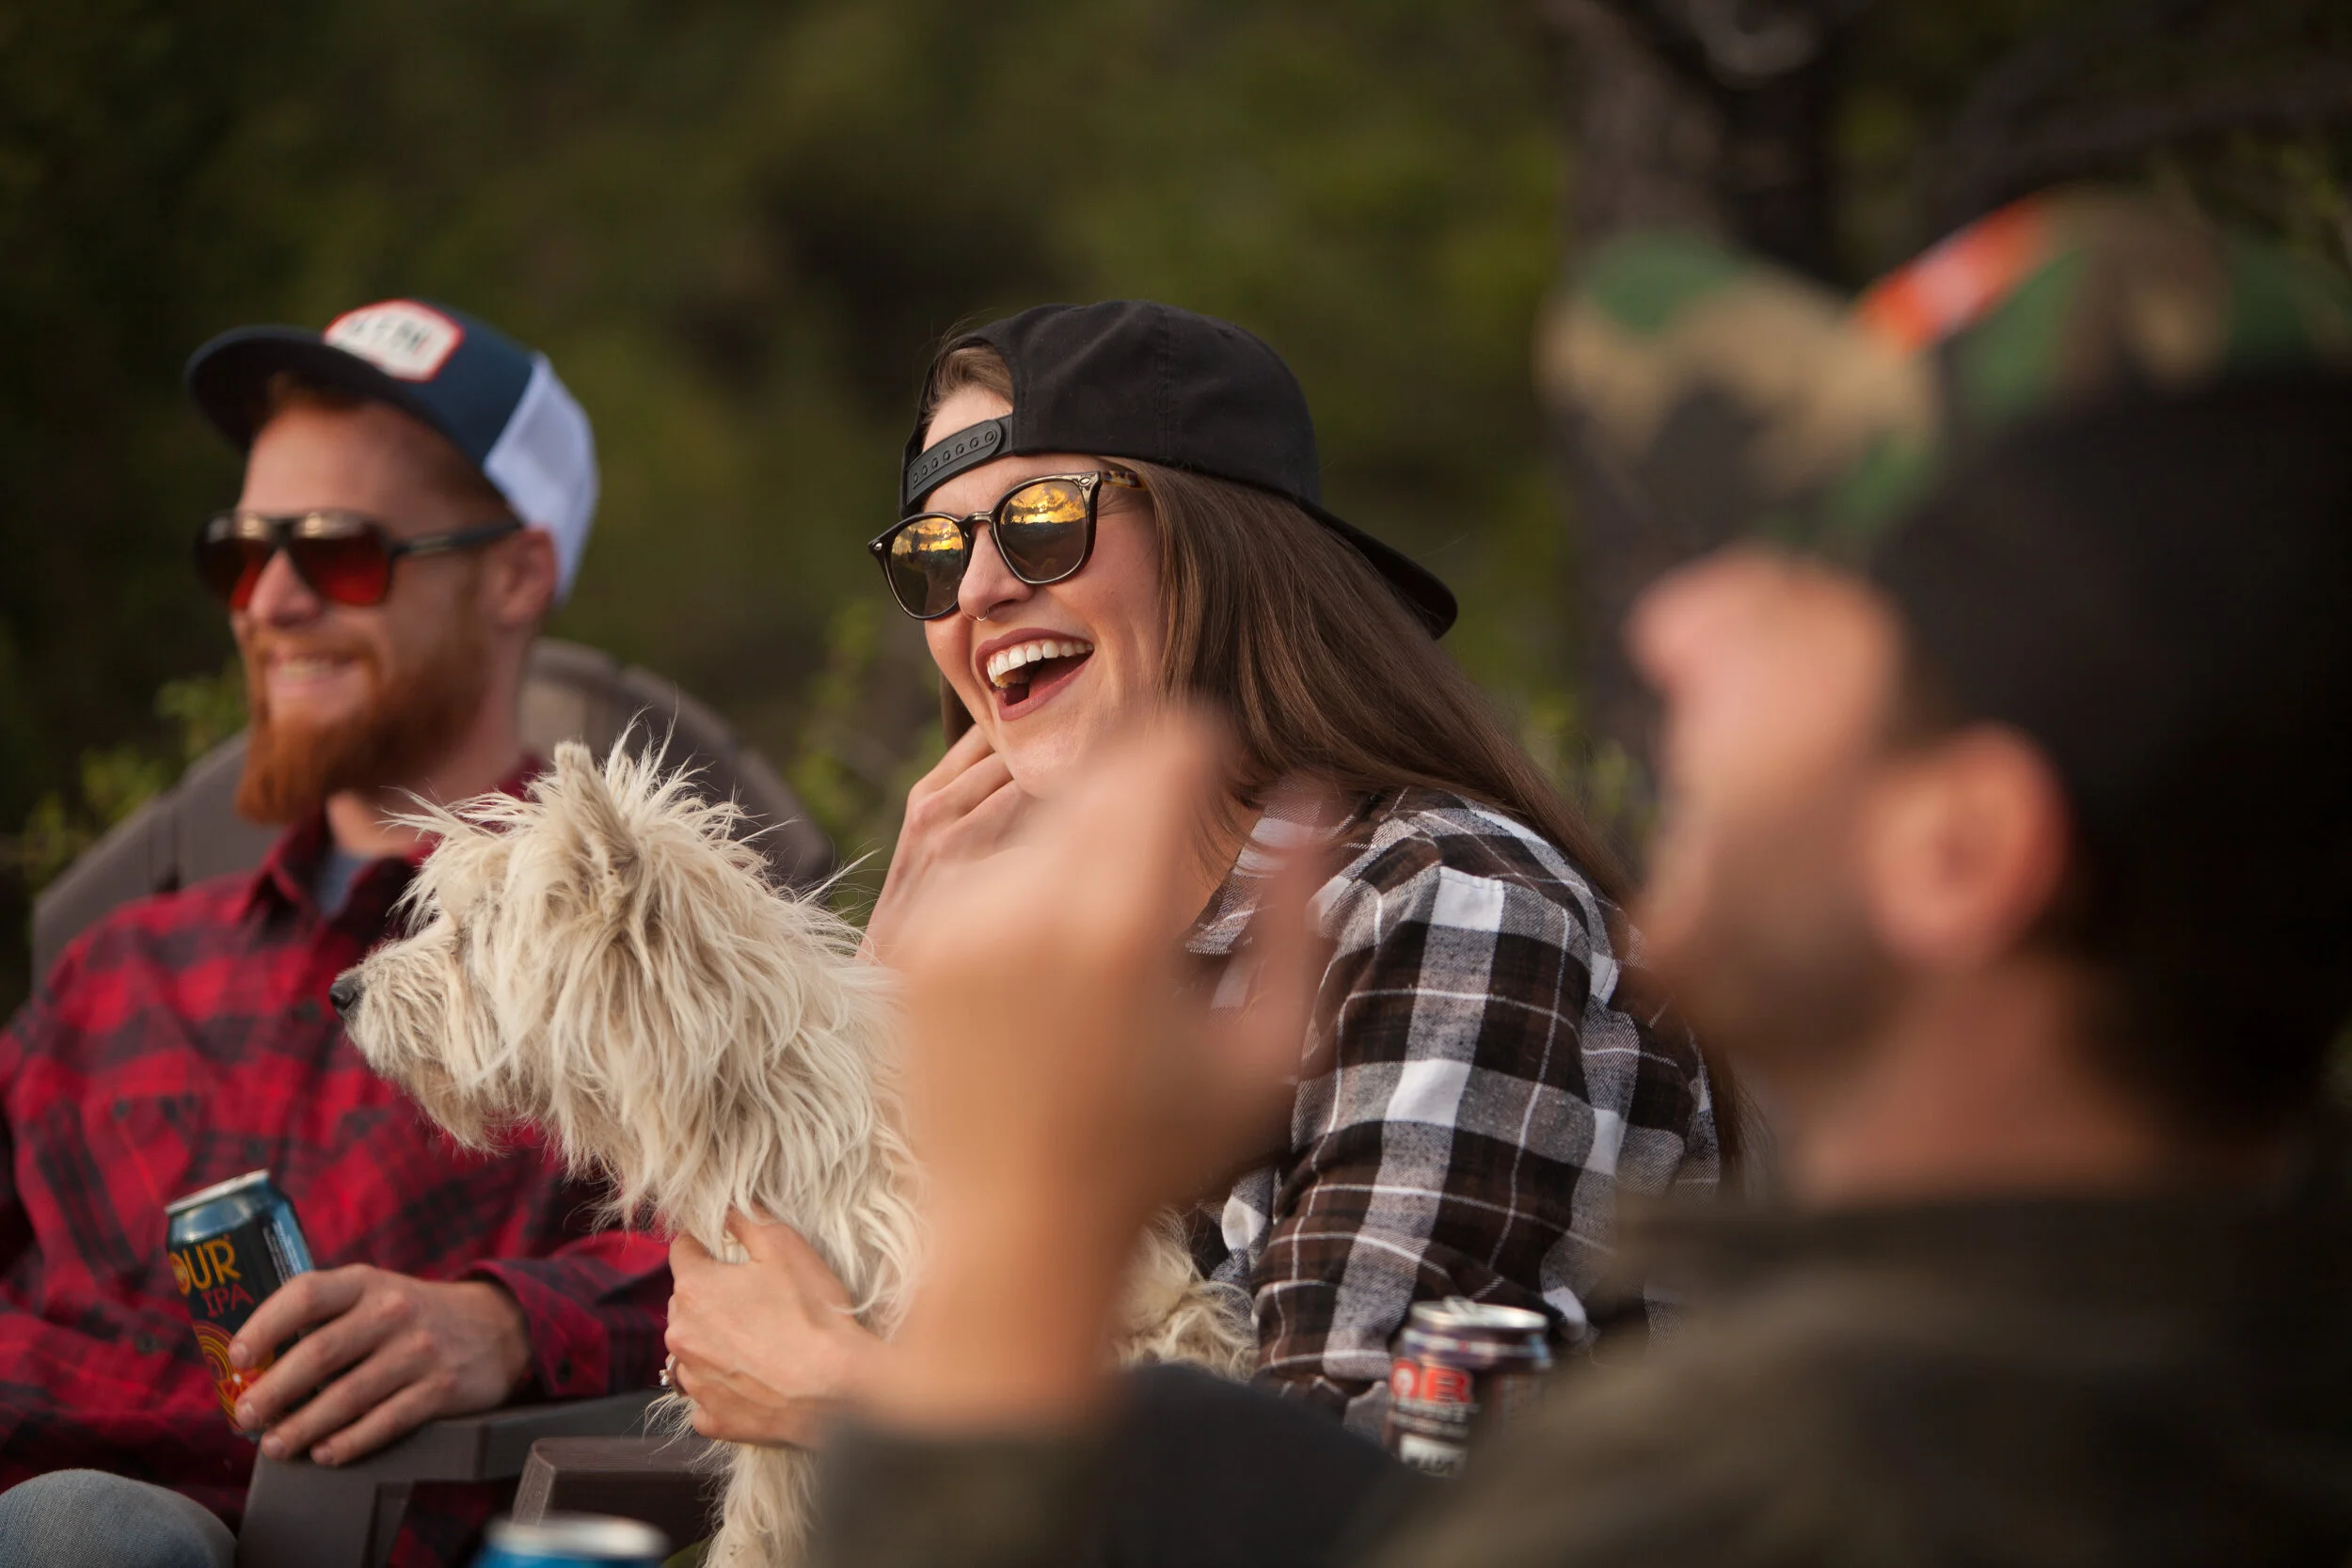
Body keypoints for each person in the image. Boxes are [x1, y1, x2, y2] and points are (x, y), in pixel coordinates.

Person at [792, 199, 2352, 1568]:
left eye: (1809, 582)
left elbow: (1294, 1479)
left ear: (1965, 852)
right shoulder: (2070, 1402)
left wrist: (984, 1293)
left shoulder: (1831, 1495)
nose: (1677, 626)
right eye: (930, 554)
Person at [663, 301, 1722, 1449]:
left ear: (1229, 545)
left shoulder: (1443, 899)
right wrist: (877, 1001)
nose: (975, 592)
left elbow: (1347, 1471)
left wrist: (852, 1407)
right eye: (933, 550)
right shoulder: (1068, 960)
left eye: (1042, 520)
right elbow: (775, 1309)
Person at [0, 300, 667, 1568]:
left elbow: (771, 1250)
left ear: (516, 574)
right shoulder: (120, 970)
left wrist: (507, 1323)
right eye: (241, 554)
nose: (275, 599)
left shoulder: (607, 961)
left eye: (341, 551)